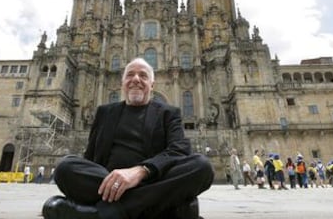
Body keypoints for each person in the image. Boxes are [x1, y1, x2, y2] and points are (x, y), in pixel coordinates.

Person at [42, 58, 214, 219]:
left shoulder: (168, 113)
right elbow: (91, 157)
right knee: (65, 167)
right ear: (122, 83)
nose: (136, 79)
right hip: (108, 180)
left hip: (152, 177)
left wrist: (141, 171)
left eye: (143, 76)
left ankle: (102, 214)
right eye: (130, 75)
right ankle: (155, 207)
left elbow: (179, 150)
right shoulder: (104, 112)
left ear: (152, 85)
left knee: (202, 166)